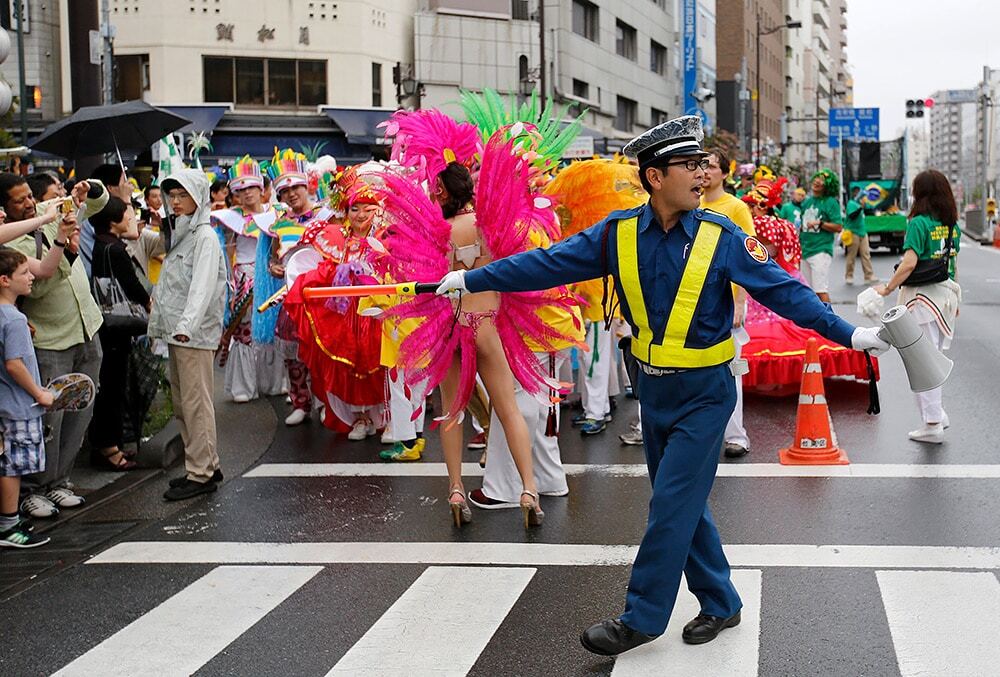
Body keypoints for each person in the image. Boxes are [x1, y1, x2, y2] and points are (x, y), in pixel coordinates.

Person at [435, 115, 889, 655]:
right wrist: (471, 277)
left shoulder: (724, 238)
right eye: (689, 165)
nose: (702, 174)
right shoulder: (618, 233)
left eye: (703, 164)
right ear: (654, 177)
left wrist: (851, 335)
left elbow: (787, 293)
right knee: (684, 503)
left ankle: (642, 617)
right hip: (653, 393)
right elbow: (546, 264)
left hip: (705, 394)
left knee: (670, 503)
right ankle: (721, 601)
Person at [2, 174, 108, 518]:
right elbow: (39, 285)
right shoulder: (9, 246)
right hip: (49, 337)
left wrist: (87, 190)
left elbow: (96, 204)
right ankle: (35, 489)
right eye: (18, 201)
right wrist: (64, 246)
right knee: (49, 418)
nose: (29, 203)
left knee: (81, 407)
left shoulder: (49, 209)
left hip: (86, 326)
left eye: (29, 196)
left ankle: (61, 481)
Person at [149, 169, 228, 500]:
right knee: (184, 402)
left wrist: (186, 326)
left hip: (191, 334)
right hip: (178, 332)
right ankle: (203, 463)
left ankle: (202, 473)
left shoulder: (205, 237)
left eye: (183, 195)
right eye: (172, 196)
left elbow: (202, 287)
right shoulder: (182, 232)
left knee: (196, 403)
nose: (176, 202)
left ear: (199, 197)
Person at [876, 169, 960, 444]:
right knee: (930, 358)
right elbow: (952, 264)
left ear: (919, 193)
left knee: (922, 364)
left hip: (921, 299)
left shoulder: (918, 223)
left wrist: (888, 288)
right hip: (943, 296)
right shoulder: (951, 225)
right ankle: (937, 416)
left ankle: (932, 421)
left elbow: (910, 263)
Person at [212, 156, 287, 403]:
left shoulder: (277, 212)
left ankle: (275, 383)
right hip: (245, 278)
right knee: (245, 332)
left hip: (273, 276)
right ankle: (244, 386)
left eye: (251, 188)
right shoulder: (228, 218)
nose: (246, 194)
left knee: (275, 329)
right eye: (240, 190)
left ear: (262, 189)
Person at [701, 147, 755, 458]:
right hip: (694, 303)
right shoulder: (689, 204)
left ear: (724, 173)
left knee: (733, 369)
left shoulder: (735, 208)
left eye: (710, 165)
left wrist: (738, 302)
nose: (704, 171)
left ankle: (737, 435)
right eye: (699, 165)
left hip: (727, 301)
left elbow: (747, 258)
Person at [87, 196, 149, 471]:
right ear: (114, 221)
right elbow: (134, 286)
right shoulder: (116, 250)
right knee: (112, 387)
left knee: (110, 386)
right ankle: (108, 448)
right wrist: (150, 305)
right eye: (128, 215)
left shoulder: (100, 245)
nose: (131, 219)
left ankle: (108, 443)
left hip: (104, 324)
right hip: (116, 326)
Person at [0, 249, 53, 548]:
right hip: (19, 405)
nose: (32, 276)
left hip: (4, 402)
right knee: (12, 466)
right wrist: (39, 393)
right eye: (24, 273)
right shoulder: (15, 319)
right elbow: (14, 363)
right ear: (5, 280)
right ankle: (8, 526)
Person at [81, 164, 133, 277]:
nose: (129, 186)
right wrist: (126, 198)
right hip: (98, 279)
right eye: (124, 182)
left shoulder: (92, 207)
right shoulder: (98, 210)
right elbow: (132, 232)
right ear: (110, 188)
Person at [799, 169, 843, 303]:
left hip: (821, 250)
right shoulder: (807, 202)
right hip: (805, 251)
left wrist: (820, 223)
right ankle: (813, 322)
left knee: (820, 290)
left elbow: (838, 226)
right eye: (816, 178)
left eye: (822, 180)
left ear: (828, 185)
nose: (817, 181)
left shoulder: (830, 202)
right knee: (807, 291)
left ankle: (831, 322)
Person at [843, 185, 877, 285]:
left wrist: (865, 206)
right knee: (851, 256)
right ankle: (849, 275)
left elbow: (870, 212)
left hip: (863, 232)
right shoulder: (851, 204)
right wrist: (860, 207)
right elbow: (852, 216)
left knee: (866, 254)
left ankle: (869, 275)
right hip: (853, 232)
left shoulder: (861, 203)